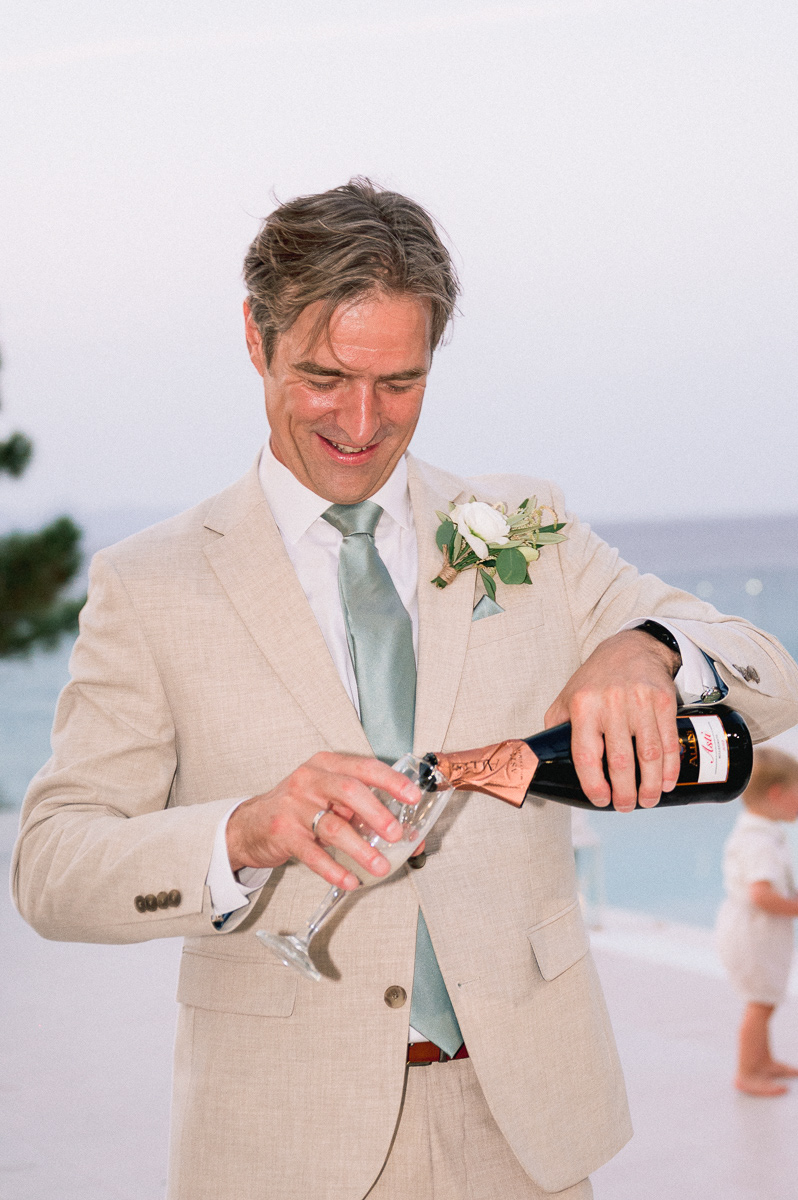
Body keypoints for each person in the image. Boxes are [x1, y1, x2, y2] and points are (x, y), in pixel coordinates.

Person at [11, 179, 798, 1200]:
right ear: (255, 338)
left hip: (525, 1133)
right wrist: (241, 833)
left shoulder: (526, 528)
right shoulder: (150, 584)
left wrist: (648, 649)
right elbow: (52, 866)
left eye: (400, 382)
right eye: (325, 377)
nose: (362, 422)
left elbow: (768, 672)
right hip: (281, 1142)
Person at [716, 746, 798, 1097]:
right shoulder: (758, 842)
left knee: (766, 998)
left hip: (756, 933)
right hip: (753, 935)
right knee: (759, 1003)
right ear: (777, 794)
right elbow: (762, 895)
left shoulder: (761, 832)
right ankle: (747, 1073)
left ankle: (763, 1061)